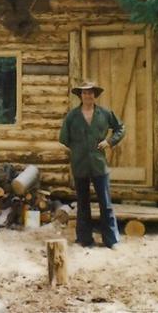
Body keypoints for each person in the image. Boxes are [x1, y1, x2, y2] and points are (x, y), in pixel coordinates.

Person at [59, 80, 125, 248]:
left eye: (90, 93)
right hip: (80, 164)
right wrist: (78, 148)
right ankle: (84, 239)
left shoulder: (104, 113)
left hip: (98, 163)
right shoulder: (72, 116)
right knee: (83, 203)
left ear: (95, 95)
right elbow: (64, 138)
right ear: (80, 95)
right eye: (84, 93)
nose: (87, 95)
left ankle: (111, 240)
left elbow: (120, 128)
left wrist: (109, 142)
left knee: (105, 202)